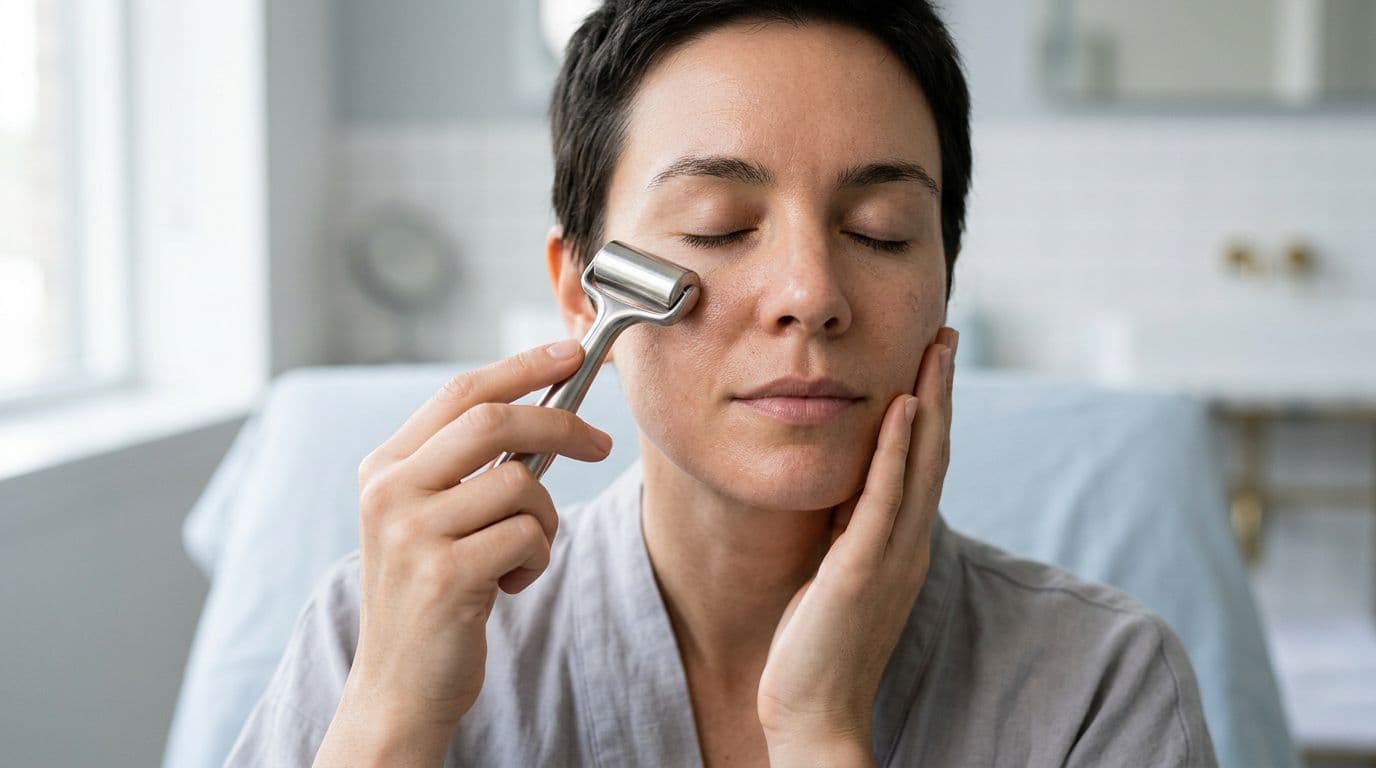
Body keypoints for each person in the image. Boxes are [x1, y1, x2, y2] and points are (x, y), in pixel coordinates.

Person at [226, 1, 1218, 765]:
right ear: (582, 291)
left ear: (941, 284)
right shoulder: (375, 633)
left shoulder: (1097, 685)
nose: (809, 293)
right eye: (714, 225)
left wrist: (821, 729)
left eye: (879, 232)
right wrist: (390, 719)